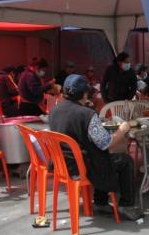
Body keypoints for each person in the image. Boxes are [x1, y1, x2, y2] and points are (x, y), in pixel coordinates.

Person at [49, 74, 140, 220]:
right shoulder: (86, 114)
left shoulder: (54, 110)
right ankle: (126, 205)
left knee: (98, 154)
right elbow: (106, 143)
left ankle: (101, 202)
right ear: (84, 93)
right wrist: (122, 129)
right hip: (82, 166)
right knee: (125, 160)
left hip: (63, 163)